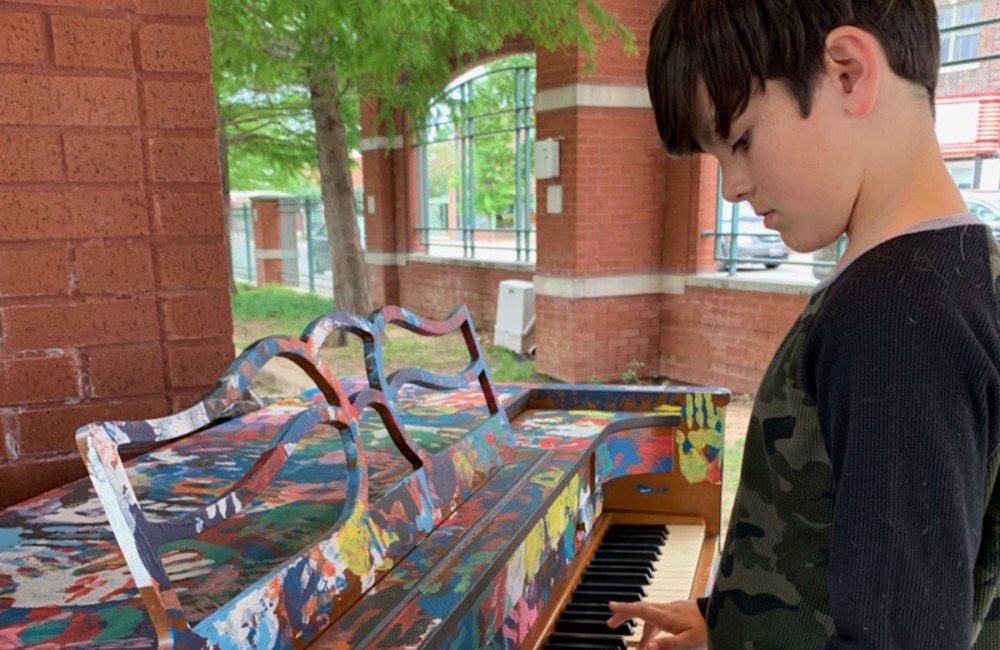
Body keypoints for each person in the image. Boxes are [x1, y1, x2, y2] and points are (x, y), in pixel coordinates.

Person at [607, 1, 1000, 648]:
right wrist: (728, 623)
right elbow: (840, 556)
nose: (731, 186)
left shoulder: (894, 318)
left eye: (739, 140)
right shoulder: (946, 276)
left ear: (848, 73)